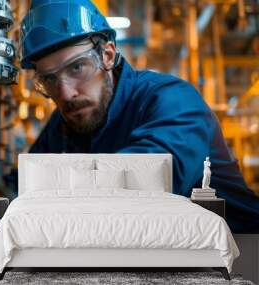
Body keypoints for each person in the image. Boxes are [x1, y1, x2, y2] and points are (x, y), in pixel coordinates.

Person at [19, 0, 259, 233]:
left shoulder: (173, 100)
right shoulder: (63, 125)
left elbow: (145, 184)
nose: (66, 93)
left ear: (108, 55)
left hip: (242, 253)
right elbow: (24, 188)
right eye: (49, 79)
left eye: (77, 68)